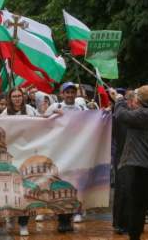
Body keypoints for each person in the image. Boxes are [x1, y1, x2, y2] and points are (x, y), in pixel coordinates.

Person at [111, 86, 148, 240]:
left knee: (138, 207)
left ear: (140, 101)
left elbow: (120, 115)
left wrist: (118, 99)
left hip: (143, 168)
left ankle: (134, 237)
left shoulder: (143, 115)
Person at [42, 82, 86, 232]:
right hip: (59, 153)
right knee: (60, 186)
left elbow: (90, 123)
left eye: (72, 92)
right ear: (62, 94)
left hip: (76, 153)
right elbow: (43, 124)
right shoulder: (55, 108)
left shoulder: (81, 108)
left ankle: (70, 218)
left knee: (73, 185)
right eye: (67, 92)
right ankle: (62, 219)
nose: (70, 95)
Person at [0, 88, 36, 236]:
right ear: (10, 98)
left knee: (24, 192)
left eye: (19, 96)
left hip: (26, 156)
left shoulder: (31, 110)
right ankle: (9, 216)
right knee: (10, 189)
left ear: (23, 97)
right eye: (14, 96)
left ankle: (23, 223)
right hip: (11, 156)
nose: (17, 99)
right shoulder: (5, 113)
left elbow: (42, 123)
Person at [112, 90, 135, 234]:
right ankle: (120, 223)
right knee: (122, 190)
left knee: (131, 191)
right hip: (122, 157)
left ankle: (128, 221)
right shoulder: (122, 115)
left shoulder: (133, 115)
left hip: (133, 158)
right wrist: (119, 101)